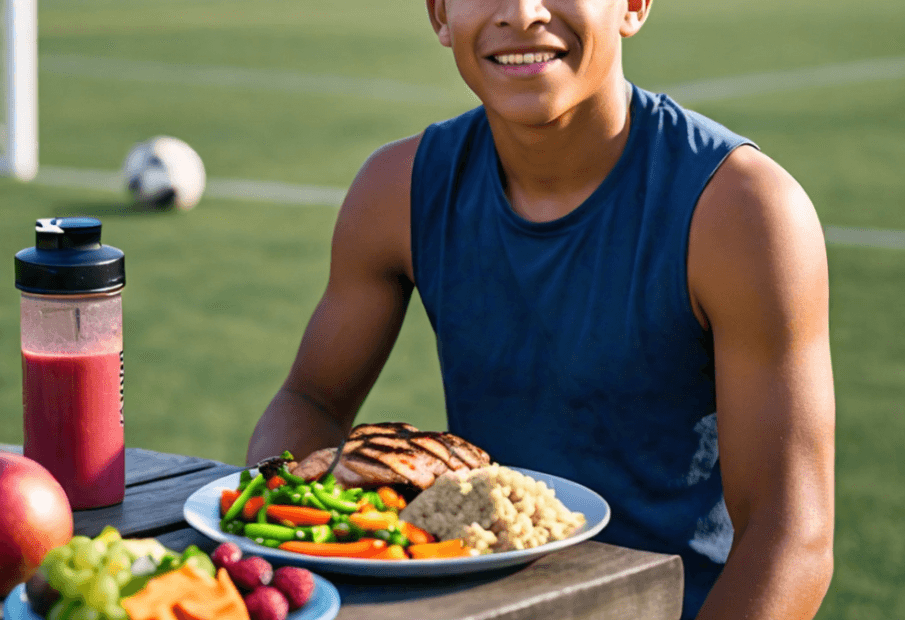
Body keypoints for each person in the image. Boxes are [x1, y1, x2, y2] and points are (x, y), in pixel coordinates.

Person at [246, 1, 835, 618]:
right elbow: (311, 400)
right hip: (474, 603)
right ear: (441, 14)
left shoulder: (742, 209)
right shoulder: (399, 188)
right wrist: (266, 530)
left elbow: (791, 536)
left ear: (632, 6)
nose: (523, 13)